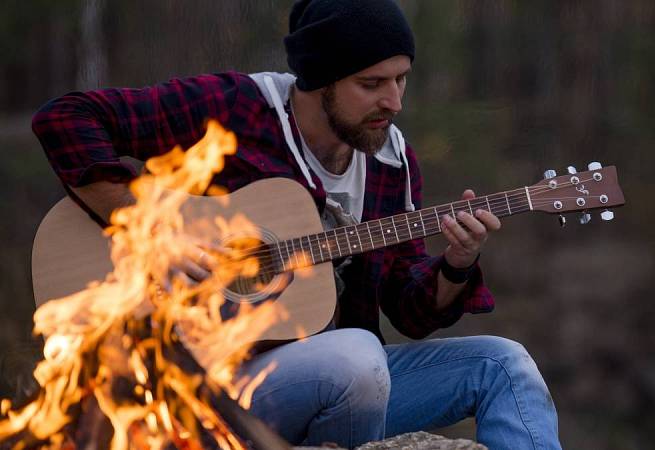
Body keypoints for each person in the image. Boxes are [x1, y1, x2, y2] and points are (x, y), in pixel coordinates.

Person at [32, 0, 561, 448]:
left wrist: (456, 265)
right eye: (372, 83)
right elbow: (65, 118)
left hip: (344, 382)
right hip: (197, 388)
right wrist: (149, 231)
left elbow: (408, 309)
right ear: (320, 81)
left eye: (401, 79)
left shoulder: (392, 163)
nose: (394, 102)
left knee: (502, 363)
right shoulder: (235, 111)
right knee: (358, 357)